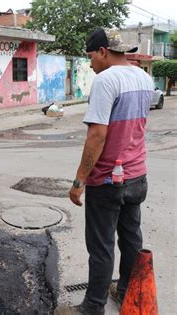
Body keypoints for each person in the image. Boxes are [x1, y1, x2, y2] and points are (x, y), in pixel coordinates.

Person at [55, 28, 154, 315]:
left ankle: (93, 307)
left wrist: (79, 181)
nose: (89, 64)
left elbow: (97, 136)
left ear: (103, 51)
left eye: (90, 57)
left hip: (109, 179)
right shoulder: (143, 77)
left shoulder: (106, 80)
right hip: (137, 175)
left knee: (101, 246)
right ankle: (125, 292)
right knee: (131, 237)